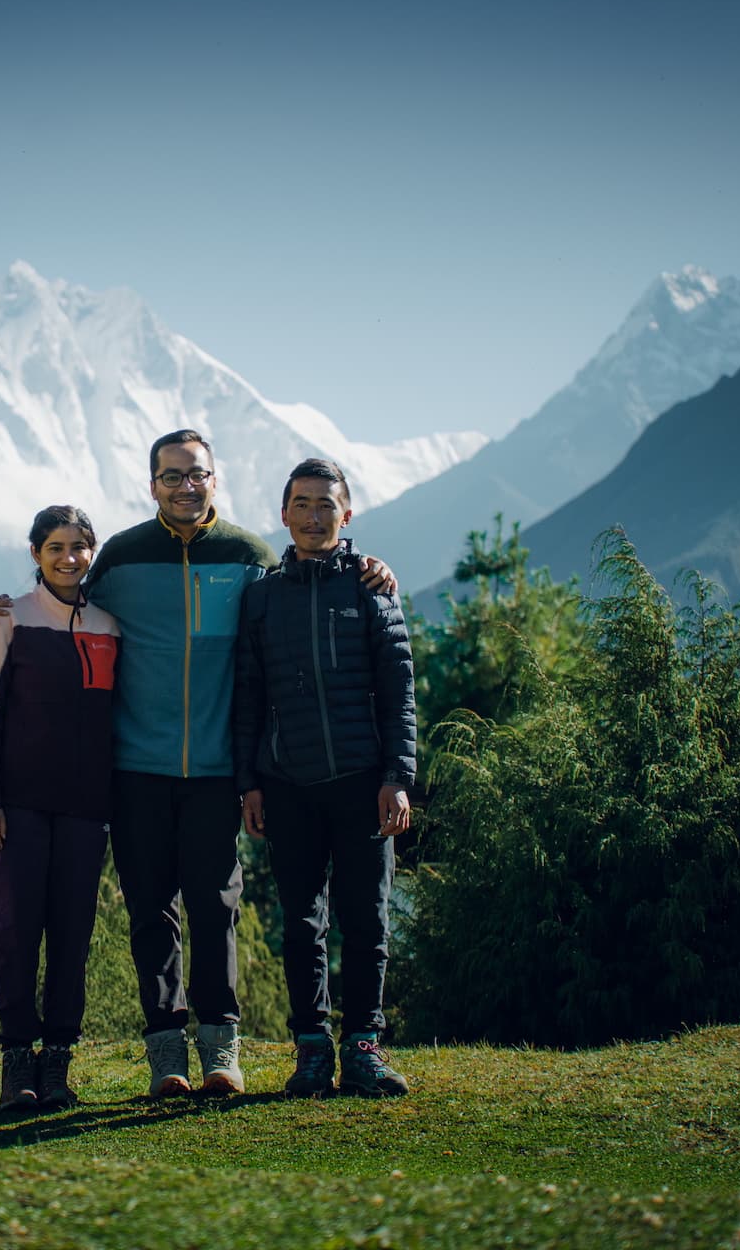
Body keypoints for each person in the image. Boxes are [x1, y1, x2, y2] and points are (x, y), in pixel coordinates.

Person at [0, 432, 396, 1097]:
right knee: (150, 911)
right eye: (171, 477)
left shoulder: (249, 557)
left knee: (215, 909)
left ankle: (221, 1052)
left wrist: (366, 567)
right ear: (152, 486)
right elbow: (63, 601)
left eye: (195, 475)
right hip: (134, 768)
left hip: (215, 769)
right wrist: (0, 611)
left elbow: (304, 585)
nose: (184, 486)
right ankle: (166, 1054)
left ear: (215, 479)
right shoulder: (120, 556)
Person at [233, 458, 415, 1097]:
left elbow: (400, 689)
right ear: (283, 514)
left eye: (326, 505)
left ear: (347, 514)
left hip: (364, 781)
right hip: (287, 784)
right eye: (302, 504)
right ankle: (311, 1049)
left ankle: (363, 1046)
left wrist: (397, 774)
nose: (314, 516)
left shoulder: (372, 588)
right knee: (301, 923)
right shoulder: (261, 596)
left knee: (366, 920)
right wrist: (250, 783)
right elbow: (249, 695)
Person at [0, 505, 121, 1110]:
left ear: (92, 552)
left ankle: (57, 1062)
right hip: (16, 809)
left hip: (85, 810)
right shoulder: (9, 620)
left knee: (72, 939)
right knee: (14, 934)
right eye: (55, 546)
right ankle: (15, 1063)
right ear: (35, 554)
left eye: (79, 546)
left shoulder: (110, 625)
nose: (68, 557)